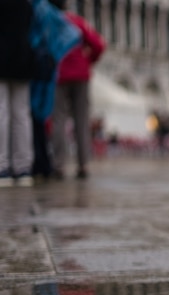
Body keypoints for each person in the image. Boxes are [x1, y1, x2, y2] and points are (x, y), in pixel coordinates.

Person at [50, 0, 106, 180]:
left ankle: (59, 165)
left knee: (58, 120)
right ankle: (84, 164)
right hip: (80, 75)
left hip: (58, 75)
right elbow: (98, 45)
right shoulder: (77, 22)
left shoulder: (50, 23)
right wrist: (87, 62)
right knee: (81, 120)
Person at [30, 0, 81, 181]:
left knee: (40, 116)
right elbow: (74, 35)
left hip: (39, 67)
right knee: (43, 117)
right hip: (47, 69)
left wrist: (50, 52)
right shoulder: (50, 12)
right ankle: (44, 162)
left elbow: (73, 34)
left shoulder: (40, 9)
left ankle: (43, 161)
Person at [0, 0, 35, 187]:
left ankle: (2, 167)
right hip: (22, 59)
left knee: (2, 113)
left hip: (2, 59)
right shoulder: (26, 5)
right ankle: (23, 168)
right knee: (21, 115)